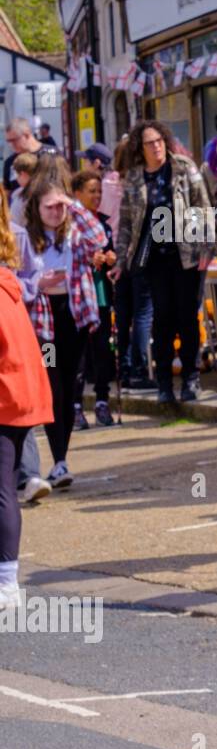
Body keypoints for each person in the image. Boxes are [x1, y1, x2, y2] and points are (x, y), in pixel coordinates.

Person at [112, 120, 214, 405]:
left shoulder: (183, 167)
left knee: (187, 317)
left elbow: (202, 207)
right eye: (149, 143)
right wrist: (121, 260)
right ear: (140, 147)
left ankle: (191, 378)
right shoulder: (134, 177)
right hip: (152, 258)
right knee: (162, 320)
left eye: (159, 140)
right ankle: (165, 383)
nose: (156, 146)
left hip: (186, 256)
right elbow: (127, 223)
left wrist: (207, 246)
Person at [22, 173, 108, 490]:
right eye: (50, 207)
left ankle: (61, 462)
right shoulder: (27, 239)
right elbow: (17, 276)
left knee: (71, 388)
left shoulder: (74, 234)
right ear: (36, 208)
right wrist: (37, 284)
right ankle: (56, 458)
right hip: (44, 322)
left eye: (60, 207)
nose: (56, 213)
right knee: (52, 385)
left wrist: (72, 203)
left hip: (73, 318)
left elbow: (99, 238)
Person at [0, 211, 54, 608]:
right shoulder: (9, 284)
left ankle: (7, 585)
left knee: (2, 491)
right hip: (19, 395)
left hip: (6, 398)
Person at [69, 170, 116, 430]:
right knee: (80, 355)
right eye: (91, 191)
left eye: (99, 191)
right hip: (78, 296)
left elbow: (111, 251)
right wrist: (90, 259)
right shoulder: (71, 223)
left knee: (102, 351)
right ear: (77, 193)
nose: (97, 196)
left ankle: (102, 400)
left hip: (100, 294)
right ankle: (75, 405)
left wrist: (111, 259)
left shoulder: (104, 223)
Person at [106, 138, 152, 390]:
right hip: (136, 252)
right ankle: (138, 368)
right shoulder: (139, 184)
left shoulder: (108, 183)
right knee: (142, 313)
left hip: (113, 253)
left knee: (123, 315)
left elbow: (104, 218)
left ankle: (122, 367)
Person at [3, 118, 56, 193]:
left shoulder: (51, 154)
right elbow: (7, 191)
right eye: (9, 141)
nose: (11, 145)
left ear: (27, 134)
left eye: (14, 140)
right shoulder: (10, 162)